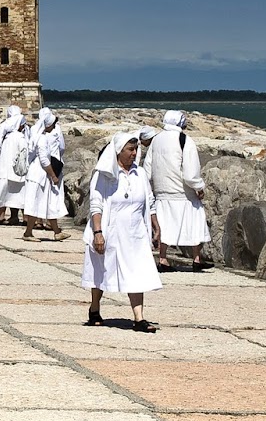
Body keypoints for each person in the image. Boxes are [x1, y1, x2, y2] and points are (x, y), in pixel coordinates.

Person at [82, 128, 163, 332]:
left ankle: (139, 318)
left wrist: (155, 224)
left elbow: (149, 200)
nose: (134, 153)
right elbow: (96, 204)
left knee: (137, 272)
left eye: (136, 149)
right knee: (101, 270)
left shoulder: (140, 173)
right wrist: (98, 233)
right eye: (130, 149)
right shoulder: (105, 175)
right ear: (118, 151)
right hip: (110, 231)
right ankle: (95, 308)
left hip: (135, 232)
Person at [150, 110, 211, 270]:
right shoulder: (185, 140)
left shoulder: (156, 140)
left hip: (162, 192)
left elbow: (148, 166)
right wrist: (198, 186)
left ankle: (163, 258)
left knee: (164, 225)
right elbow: (191, 172)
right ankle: (197, 258)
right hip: (183, 192)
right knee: (194, 221)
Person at [21, 107, 67, 242]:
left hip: (41, 175)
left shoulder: (39, 136)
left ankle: (57, 231)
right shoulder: (41, 139)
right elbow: (44, 160)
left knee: (46, 202)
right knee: (36, 204)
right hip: (39, 174)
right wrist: (53, 175)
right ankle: (28, 233)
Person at [0, 106, 26, 226]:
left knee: (3, 190)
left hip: (3, 165)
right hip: (16, 169)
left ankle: (2, 216)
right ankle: (19, 217)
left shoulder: (6, 133)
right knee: (19, 191)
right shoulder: (20, 136)